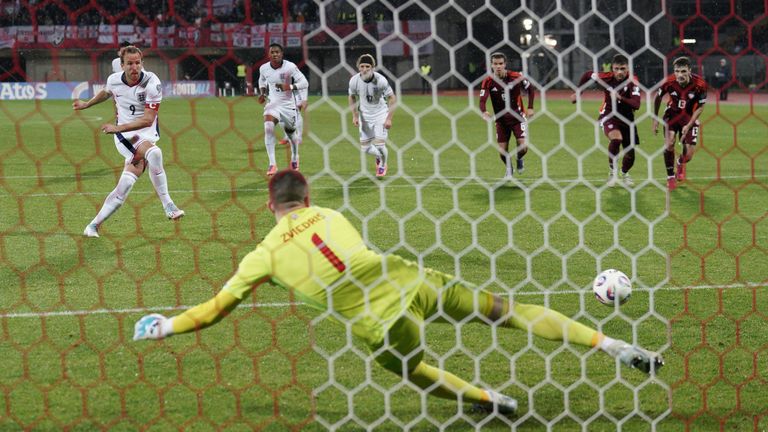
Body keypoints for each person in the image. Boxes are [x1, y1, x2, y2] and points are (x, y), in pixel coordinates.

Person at [134, 169, 664, 415]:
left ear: (269, 207)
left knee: (410, 371)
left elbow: (215, 311)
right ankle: (611, 346)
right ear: (308, 197)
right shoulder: (331, 211)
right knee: (510, 311)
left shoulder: (262, 254)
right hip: (410, 278)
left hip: (382, 322)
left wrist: (167, 325)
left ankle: (490, 399)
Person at [73, 45, 184, 238]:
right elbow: (107, 92)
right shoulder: (114, 80)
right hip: (126, 137)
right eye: (130, 63)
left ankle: (93, 225)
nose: (135, 67)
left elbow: (149, 119)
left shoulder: (152, 82)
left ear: (142, 63)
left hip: (144, 132)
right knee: (155, 153)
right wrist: (87, 104)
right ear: (122, 65)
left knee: (125, 184)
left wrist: (117, 127)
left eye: (138, 63)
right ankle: (168, 205)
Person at [572, 54, 641, 187]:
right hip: (609, 116)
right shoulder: (606, 77)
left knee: (630, 155)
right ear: (612, 68)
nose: (619, 72)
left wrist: (620, 98)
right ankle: (612, 172)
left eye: (622, 68)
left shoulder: (633, 81)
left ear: (628, 68)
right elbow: (587, 74)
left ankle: (624, 173)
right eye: (616, 69)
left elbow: (636, 104)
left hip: (627, 120)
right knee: (616, 139)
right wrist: (578, 93)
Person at [652, 56, 708, 191]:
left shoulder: (700, 84)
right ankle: (670, 176)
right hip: (672, 115)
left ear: (689, 70)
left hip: (689, 117)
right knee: (670, 143)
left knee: (688, 154)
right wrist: (655, 118)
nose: (680, 75)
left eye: (683, 71)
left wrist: (689, 125)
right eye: (677, 71)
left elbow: (700, 107)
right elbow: (658, 97)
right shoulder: (669, 82)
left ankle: (680, 163)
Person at [479, 52, 535, 178]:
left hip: (517, 118)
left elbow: (531, 89)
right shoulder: (488, 81)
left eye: (500, 64)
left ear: (505, 64)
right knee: (502, 152)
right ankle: (509, 169)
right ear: (491, 65)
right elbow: (482, 100)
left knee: (523, 147)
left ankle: (519, 159)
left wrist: (530, 107)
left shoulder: (515, 77)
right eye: (495, 64)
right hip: (501, 120)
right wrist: (484, 111)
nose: (498, 66)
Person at [258, 43, 308, 176]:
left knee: (291, 135)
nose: (275, 54)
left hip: (288, 107)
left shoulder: (290, 67)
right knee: (268, 126)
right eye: (272, 52)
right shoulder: (264, 68)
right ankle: (272, 164)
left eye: (277, 52)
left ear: (282, 54)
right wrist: (263, 93)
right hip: (273, 104)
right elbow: (262, 81)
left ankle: (295, 157)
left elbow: (304, 83)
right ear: (269, 54)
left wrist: (289, 87)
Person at [348, 54, 396, 177]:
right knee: (365, 148)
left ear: (373, 67)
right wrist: (354, 115)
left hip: (380, 114)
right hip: (364, 116)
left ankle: (382, 165)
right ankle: (379, 157)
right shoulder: (354, 80)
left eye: (367, 66)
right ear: (358, 67)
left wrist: (389, 119)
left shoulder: (381, 81)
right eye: (362, 66)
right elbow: (351, 97)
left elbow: (392, 98)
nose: (364, 69)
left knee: (380, 145)